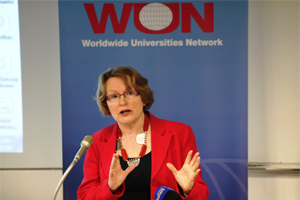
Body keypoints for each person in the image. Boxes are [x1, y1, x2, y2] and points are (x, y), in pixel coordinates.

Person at [77, 66, 209, 200]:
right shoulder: (97, 141)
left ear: (144, 98)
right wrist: (109, 187)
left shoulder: (179, 133)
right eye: (114, 96)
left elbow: (202, 194)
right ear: (106, 104)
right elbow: (84, 196)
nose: (123, 102)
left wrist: (188, 189)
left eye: (130, 93)